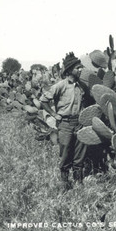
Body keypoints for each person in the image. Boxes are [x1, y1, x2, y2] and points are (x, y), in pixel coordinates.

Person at [40, 52, 87, 191]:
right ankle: (65, 182)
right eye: (78, 68)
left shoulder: (81, 86)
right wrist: (54, 114)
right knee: (65, 153)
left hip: (79, 123)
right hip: (65, 124)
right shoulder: (60, 86)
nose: (80, 70)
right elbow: (43, 100)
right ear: (70, 69)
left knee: (80, 154)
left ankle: (79, 181)